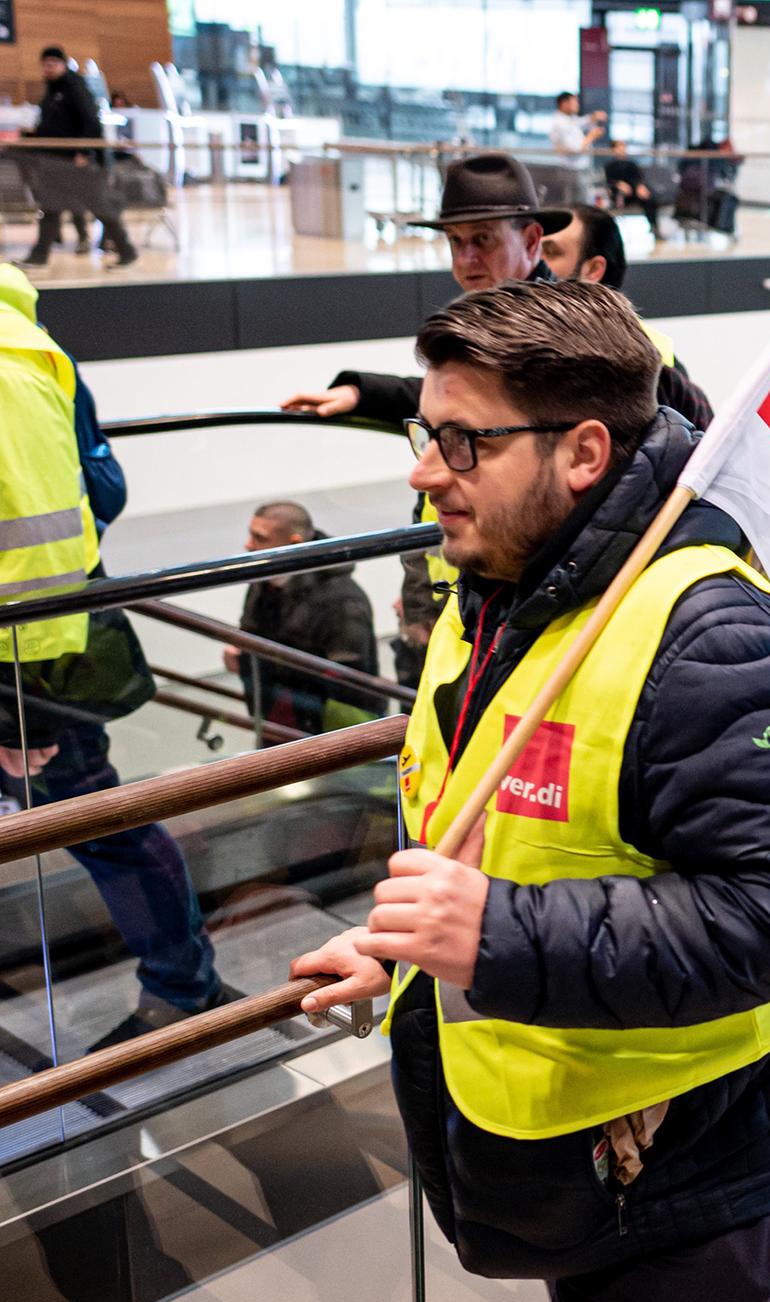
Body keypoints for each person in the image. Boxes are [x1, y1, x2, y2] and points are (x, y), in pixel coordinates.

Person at [285, 281, 770, 1302]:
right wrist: (404, 942)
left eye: (463, 444)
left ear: (585, 454)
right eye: (427, 433)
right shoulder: (500, 587)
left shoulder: (711, 635)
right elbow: (488, 821)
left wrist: (494, 934)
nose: (426, 474)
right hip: (590, 1139)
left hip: (698, 1156)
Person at [280, 154, 713, 684]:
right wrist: (365, 392)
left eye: (482, 239)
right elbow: (488, 409)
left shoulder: (590, 336)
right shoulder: (491, 326)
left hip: (544, 605)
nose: (465, 259)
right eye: (455, 241)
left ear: (532, 241)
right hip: (461, 594)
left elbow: (691, 449)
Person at [1, 263, 221, 1045]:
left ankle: (185, 983)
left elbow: (37, 535)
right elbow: (102, 487)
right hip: (41, 649)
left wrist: (11, 700)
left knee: (103, 823)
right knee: (100, 824)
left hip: (23, 664)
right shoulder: (34, 347)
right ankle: (184, 978)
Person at [229, 500, 384, 735]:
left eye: (260, 538)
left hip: (325, 725)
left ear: (294, 543)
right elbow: (250, 630)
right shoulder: (263, 581)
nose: (248, 545)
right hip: (276, 711)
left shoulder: (341, 599)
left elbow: (348, 679)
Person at [18, 47, 135, 268]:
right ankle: (39, 255)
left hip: (74, 162)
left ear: (63, 64)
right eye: (45, 64)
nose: (48, 68)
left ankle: (127, 250)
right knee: (51, 208)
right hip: (54, 161)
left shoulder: (74, 87)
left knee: (98, 206)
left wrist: (83, 152)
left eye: (53, 63)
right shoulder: (52, 91)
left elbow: (91, 121)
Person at [548, 90, 608, 196]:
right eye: (574, 102)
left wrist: (592, 117)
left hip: (578, 170)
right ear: (564, 104)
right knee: (578, 202)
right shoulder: (560, 124)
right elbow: (574, 150)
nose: (577, 105)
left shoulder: (568, 120)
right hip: (572, 170)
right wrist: (591, 136)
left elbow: (579, 122)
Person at [602, 141, 659, 234]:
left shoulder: (631, 164)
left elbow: (638, 179)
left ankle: (653, 226)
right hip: (618, 193)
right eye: (619, 147)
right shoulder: (610, 166)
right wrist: (619, 184)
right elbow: (609, 181)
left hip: (633, 192)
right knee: (619, 195)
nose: (622, 149)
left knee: (649, 199)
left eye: (623, 147)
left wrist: (639, 187)